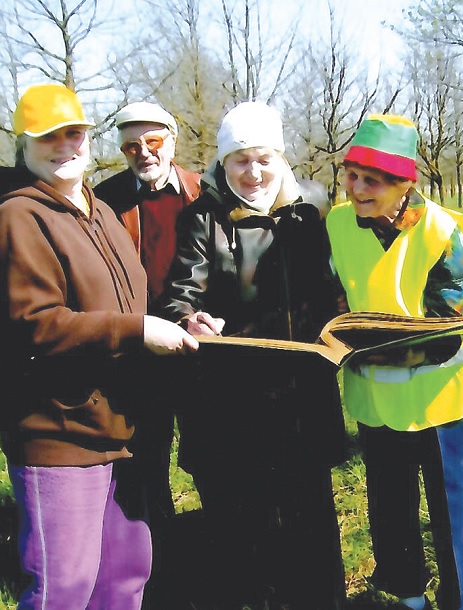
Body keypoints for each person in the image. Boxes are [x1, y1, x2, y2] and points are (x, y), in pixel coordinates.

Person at [0, 83, 198, 610]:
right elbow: (34, 327)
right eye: (48, 137)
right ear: (24, 145)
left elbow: (136, 294)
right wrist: (137, 331)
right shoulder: (19, 218)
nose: (65, 146)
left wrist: (184, 317)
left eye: (74, 133)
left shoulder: (99, 210)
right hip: (60, 430)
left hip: (124, 427)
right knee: (64, 587)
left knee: (125, 574)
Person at [157, 101, 347, 608]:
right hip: (231, 400)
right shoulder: (203, 217)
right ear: (223, 163)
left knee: (310, 515)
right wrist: (187, 318)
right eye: (240, 159)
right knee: (243, 521)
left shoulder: (315, 207)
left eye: (264, 157)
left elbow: (337, 282)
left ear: (281, 157)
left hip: (303, 395)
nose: (254, 171)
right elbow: (180, 293)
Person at [325, 114, 463, 610]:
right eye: (350, 175)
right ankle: (406, 593)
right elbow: (334, 295)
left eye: (370, 181)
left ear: (403, 185)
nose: (355, 189)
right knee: (389, 503)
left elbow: (445, 329)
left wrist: (366, 341)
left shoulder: (442, 231)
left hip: (443, 399)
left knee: (455, 508)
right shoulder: (335, 223)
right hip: (376, 399)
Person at [91, 103, 201, 607]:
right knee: (145, 469)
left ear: (172, 141)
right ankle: (162, 580)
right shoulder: (106, 200)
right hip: (139, 355)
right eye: (132, 145)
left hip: (202, 354)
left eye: (153, 142)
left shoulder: (205, 191)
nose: (143, 153)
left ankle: (221, 564)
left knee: (209, 462)